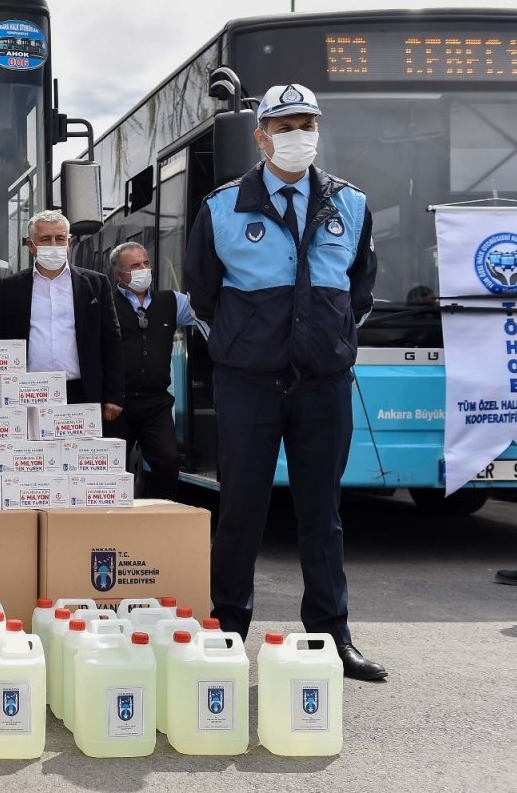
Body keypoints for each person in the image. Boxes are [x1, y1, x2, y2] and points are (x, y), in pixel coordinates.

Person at [184, 83, 386, 681]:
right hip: (248, 385)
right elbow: (201, 294)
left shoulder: (350, 204)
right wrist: (237, 347)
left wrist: (332, 344)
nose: (298, 134)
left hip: (324, 383)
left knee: (322, 513)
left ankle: (332, 636)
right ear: (261, 135)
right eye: (285, 124)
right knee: (241, 509)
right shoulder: (222, 207)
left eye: (307, 123)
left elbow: (361, 291)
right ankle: (226, 631)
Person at [0, 210, 124, 419]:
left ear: (69, 242)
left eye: (60, 238)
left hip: (81, 393)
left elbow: (111, 341)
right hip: (27, 393)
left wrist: (113, 395)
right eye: (45, 239)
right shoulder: (11, 287)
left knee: (79, 451)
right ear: (31, 246)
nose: (54, 245)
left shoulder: (95, 284)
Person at [105, 241, 200, 500]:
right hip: (116, 404)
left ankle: (157, 518)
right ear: (119, 275)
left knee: (168, 461)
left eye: (146, 263)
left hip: (155, 403)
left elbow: (206, 312)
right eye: (135, 266)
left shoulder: (172, 302)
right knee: (109, 470)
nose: (143, 270)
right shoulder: (105, 305)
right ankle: (109, 522)